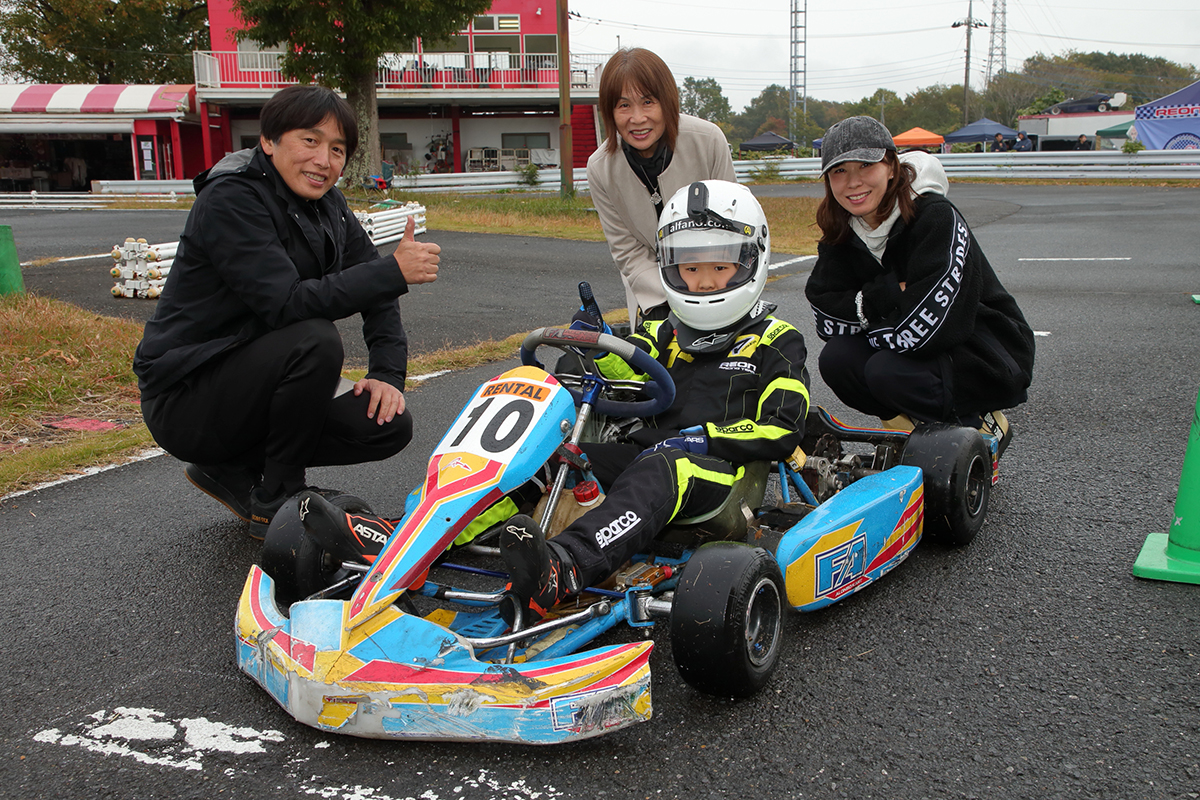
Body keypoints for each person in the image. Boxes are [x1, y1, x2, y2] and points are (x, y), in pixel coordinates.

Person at [133, 84, 441, 538]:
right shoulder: (231, 198)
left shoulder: (329, 205)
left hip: (251, 382)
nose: (324, 160)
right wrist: (393, 270)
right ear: (269, 140)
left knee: (385, 424)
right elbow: (286, 303)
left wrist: (387, 374)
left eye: (337, 149)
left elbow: (376, 291)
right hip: (186, 398)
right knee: (314, 339)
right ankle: (277, 496)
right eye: (310, 140)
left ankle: (229, 468)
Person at [497, 180, 811, 621]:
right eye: (691, 268)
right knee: (555, 455)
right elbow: (629, 373)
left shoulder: (777, 341)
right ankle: (435, 537)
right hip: (649, 454)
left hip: (724, 473)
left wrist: (703, 439)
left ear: (750, 261)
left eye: (720, 267)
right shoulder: (663, 328)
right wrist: (596, 344)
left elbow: (782, 428)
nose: (705, 281)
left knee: (664, 466)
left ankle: (565, 566)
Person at [804, 116, 1034, 451]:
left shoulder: (935, 214)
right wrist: (890, 295)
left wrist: (866, 317)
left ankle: (979, 429)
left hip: (986, 348)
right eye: (839, 171)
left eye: (866, 165)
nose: (853, 182)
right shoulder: (843, 228)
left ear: (891, 166)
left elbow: (934, 327)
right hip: (915, 346)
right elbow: (825, 314)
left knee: (884, 369)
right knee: (837, 360)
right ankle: (908, 433)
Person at [586, 48, 736, 324]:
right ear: (609, 111)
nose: (637, 118)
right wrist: (664, 302)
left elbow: (732, 227)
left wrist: (706, 290)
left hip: (719, 288)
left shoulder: (708, 141)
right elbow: (627, 250)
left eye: (648, 102)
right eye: (623, 105)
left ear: (667, 101)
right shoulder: (600, 168)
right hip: (653, 300)